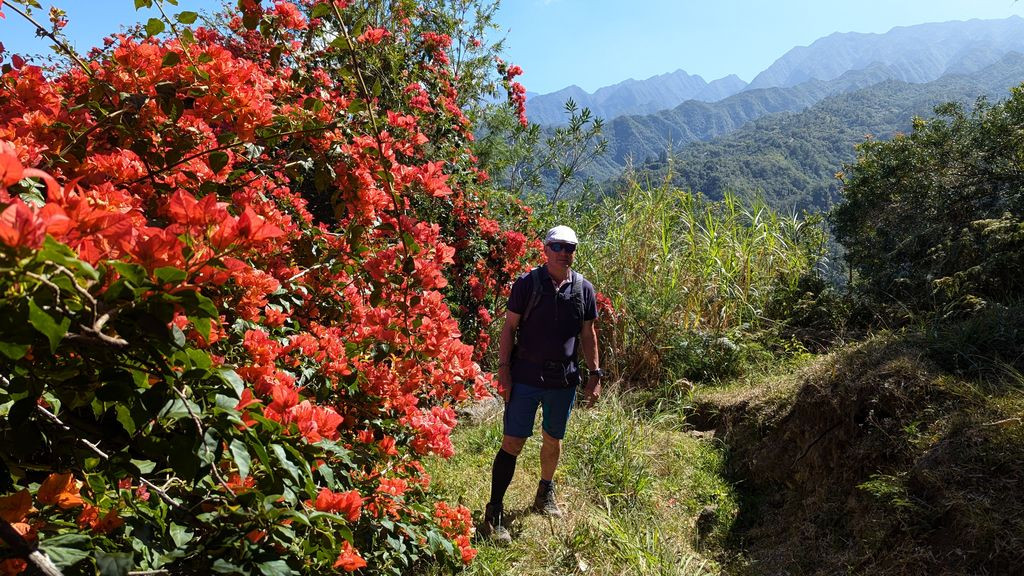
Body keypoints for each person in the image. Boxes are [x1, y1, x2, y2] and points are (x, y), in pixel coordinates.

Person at [483, 225, 605, 544]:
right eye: (558, 247)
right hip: (525, 375)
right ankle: (494, 510)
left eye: (570, 248)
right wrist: (503, 370)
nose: (564, 253)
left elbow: (588, 334)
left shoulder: (583, 289)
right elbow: (509, 329)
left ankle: (544, 491)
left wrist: (595, 374)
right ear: (545, 249)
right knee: (513, 442)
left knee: (554, 438)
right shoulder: (527, 284)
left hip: (562, 379)